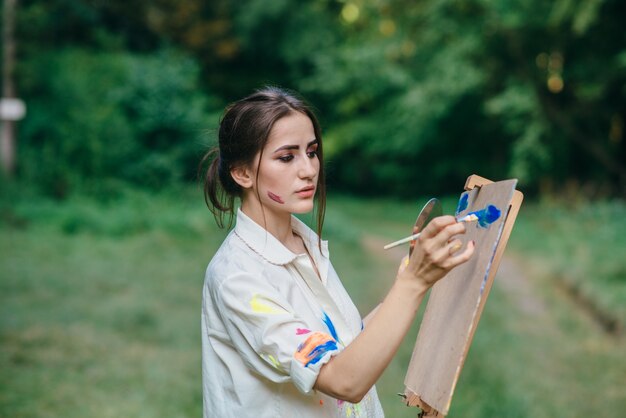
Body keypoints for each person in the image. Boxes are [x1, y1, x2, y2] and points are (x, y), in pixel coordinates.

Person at [200, 86, 475, 418]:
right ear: (242, 173)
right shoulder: (237, 276)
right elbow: (344, 381)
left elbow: (346, 345)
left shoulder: (304, 244)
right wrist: (413, 283)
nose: (309, 169)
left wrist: (412, 278)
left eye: (312, 152)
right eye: (287, 157)